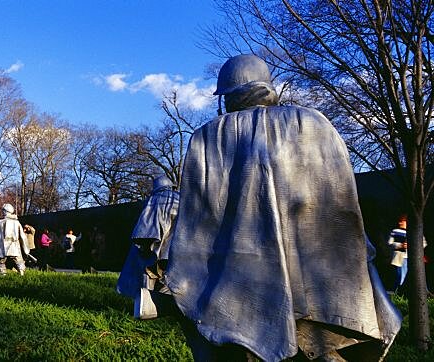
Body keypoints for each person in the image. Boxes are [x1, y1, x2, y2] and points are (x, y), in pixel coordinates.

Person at [165, 54, 400, 361]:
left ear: (227, 95)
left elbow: (198, 220)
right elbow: (341, 205)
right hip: (312, 278)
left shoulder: (208, 136)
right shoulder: (312, 122)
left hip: (235, 285)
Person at [116, 175, 179, 320]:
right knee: (171, 280)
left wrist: (145, 246)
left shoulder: (155, 200)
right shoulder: (181, 199)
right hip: (179, 248)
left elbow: (146, 228)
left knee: (148, 273)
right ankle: (168, 309)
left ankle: (146, 309)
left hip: (158, 248)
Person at [0, 203, 30, 276]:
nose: (2, 212)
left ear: (6, 211)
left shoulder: (1, 222)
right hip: (15, 244)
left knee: (1, 261)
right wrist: (26, 248)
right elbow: (22, 236)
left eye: (3, 210)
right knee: (18, 259)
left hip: (4, 244)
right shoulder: (17, 222)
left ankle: (2, 274)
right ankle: (21, 273)